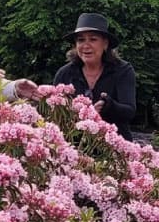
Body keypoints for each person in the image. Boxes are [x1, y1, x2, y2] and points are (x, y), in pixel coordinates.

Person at [53, 13, 136, 141]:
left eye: (93, 39)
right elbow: (54, 115)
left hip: (114, 148)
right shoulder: (64, 74)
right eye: (81, 40)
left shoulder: (122, 70)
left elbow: (129, 111)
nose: (86, 45)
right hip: (75, 148)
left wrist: (109, 105)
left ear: (105, 44)